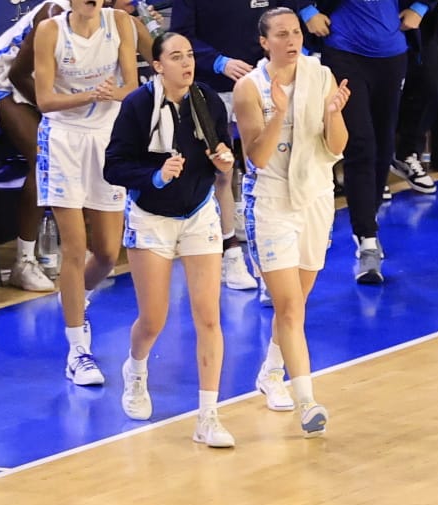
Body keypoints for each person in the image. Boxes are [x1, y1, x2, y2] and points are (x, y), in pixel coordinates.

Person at [102, 32, 237, 447]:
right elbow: (113, 167)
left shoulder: (207, 100)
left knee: (208, 317)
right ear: (158, 66)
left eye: (190, 55)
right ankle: (136, 368)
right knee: (154, 319)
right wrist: (155, 176)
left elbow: (222, 149)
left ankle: (208, 417)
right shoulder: (137, 106)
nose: (187, 63)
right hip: (151, 217)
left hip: (198, 214)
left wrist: (224, 161)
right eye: (176, 57)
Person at [236, 8, 349, 437]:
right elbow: (257, 158)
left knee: (298, 302)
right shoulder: (249, 88)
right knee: (288, 306)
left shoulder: (320, 75)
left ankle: (270, 371)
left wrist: (334, 113)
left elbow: (336, 147)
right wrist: (277, 115)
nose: (291, 40)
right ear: (264, 43)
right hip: (271, 202)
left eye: (296, 33)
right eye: (281, 34)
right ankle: (307, 401)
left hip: (315, 196)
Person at [33, 0, 140, 387]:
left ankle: (74, 296)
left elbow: (132, 87)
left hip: (106, 138)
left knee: (108, 253)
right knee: (74, 248)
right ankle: (78, 350)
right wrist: (90, 95)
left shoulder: (120, 23)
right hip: (63, 138)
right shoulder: (50, 31)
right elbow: (44, 99)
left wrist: (114, 94)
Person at [302, 0, 424, 283]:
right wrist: (307, 10)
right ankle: (367, 237)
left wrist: (420, 7)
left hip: (392, 54)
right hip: (344, 51)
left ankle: (368, 215)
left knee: (383, 146)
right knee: (361, 144)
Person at [170, 0, 278, 292]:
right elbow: (180, 34)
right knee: (220, 173)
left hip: (257, 85)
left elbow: (277, 20)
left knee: (262, 169)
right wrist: (219, 62)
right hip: (210, 90)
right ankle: (228, 254)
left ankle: (266, 262)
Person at [0, 0, 67, 293]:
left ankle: (73, 247)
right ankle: (23, 263)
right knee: (46, 158)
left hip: (38, 83)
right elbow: (20, 74)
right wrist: (55, 111)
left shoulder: (113, 22)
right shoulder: (55, 14)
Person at [391, 0, 438, 194]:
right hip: (373, 16)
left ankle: (407, 153)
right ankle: (375, 168)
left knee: (430, 89)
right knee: (381, 91)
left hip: (422, 19)